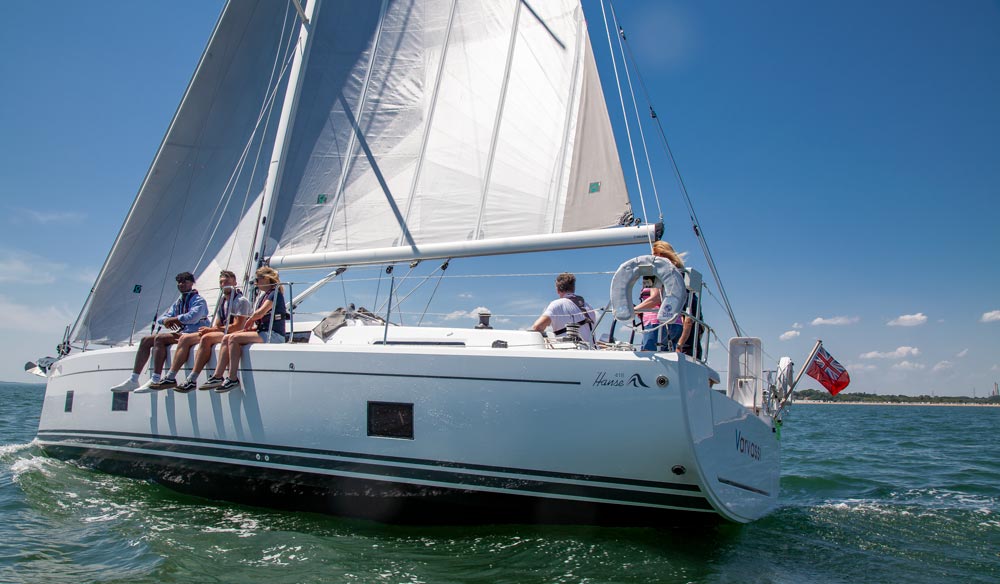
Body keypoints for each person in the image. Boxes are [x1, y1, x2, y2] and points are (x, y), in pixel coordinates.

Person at [151, 270, 252, 392]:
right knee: (185, 338)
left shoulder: (241, 301)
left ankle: (192, 379)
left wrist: (210, 330)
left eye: (227, 282)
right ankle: (171, 377)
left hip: (235, 333)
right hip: (223, 331)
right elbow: (219, 324)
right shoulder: (222, 301)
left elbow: (238, 327)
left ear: (235, 282)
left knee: (206, 338)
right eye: (221, 282)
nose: (223, 285)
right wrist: (211, 329)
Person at [109, 272, 210, 393]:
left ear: (191, 283)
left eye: (185, 281)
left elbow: (194, 317)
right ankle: (134, 379)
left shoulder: (198, 300)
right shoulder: (179, 302)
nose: (181, 284)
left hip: (195, 332)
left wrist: (175, 319)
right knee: (145, 340)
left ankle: (156, 379)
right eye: (179, 282)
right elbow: (164, 318)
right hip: (183, 332)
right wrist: (168, 320)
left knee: (160, 339)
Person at [202, 267, 287, 393]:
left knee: (233, 339)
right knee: (227, 337)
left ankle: (232, 378)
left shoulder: (275, 293)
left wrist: (251, 320)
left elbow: (261, 312)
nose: (255, 283)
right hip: (263, 332)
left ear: (267, 279)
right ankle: (218, 376)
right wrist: (248, 327)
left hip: (273, 335)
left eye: (257, 280)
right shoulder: (266, 295)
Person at [632, 240, 686, 351]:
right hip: (675, 323)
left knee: (649, 361)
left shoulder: (655, 271)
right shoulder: (676, 272)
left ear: (659, 255)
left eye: (653, 255)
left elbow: (655, 298)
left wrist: (634, 310)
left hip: (656, 324)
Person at [530, 272, 597, 344]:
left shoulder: (556, 305)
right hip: (592, 351)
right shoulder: (589, 307)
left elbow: (537, 327)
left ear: (557, 290)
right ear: (573, 288)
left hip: (570, 351)